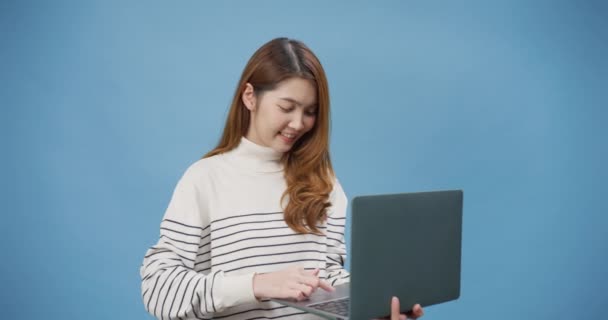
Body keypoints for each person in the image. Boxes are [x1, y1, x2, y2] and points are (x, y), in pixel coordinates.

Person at [140, 37, 424, 320]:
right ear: (249, 96)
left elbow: (327, 278)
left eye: (310, 112)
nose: (299, 123)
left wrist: (371, 308)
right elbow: (160, 290)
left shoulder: (324, 181)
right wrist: (257, 284)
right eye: (287, 108)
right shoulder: (204, 179)